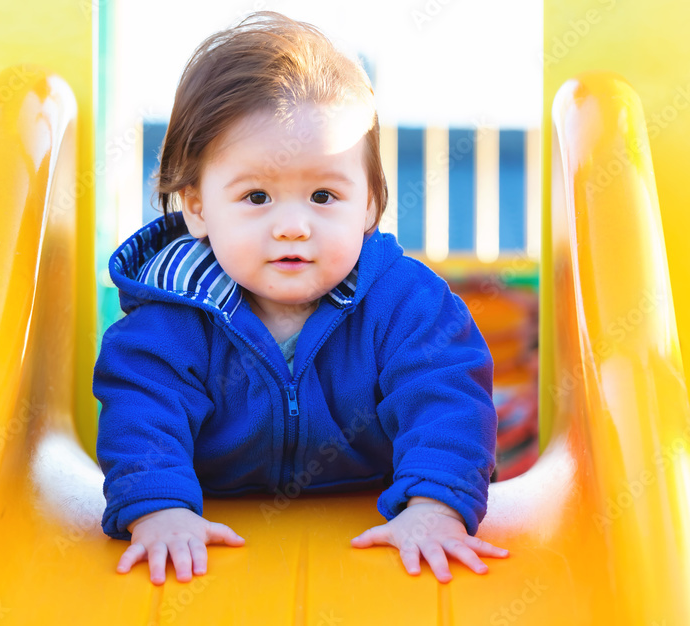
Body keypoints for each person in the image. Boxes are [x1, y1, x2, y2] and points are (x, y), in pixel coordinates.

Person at [94, 10, 507, 587]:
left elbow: (447, 397)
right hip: (222, 522)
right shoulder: (172, 319)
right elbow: (142, 412)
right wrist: (159, 510)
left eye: (322, 195)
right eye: (257, 196)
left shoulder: (404, 305)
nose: (293, 226)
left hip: (370, 514)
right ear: (196, 206)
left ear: (368, 205)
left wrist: (435, 507)